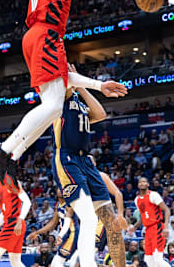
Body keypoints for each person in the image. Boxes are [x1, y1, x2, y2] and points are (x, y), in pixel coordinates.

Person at [0, 0, 128, 191]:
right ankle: (3, 149)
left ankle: (12, 156)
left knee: (51, 106)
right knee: (53, 107)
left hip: (35, 37)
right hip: (46, 36)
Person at [46, 64, 128, 267]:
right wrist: (75, 77)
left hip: (86, 161)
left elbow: (100, 115)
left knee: (112, 224)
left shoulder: (79, 102)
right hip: (68, 159)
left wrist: (82, 88)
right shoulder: (60, 97)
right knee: (89, 218)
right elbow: (65, 79)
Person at [27, 190, 79, 267]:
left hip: (72, 233)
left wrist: (60, 236)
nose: (60, 189)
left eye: (62, 188)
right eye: (59, 187)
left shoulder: (69, 204)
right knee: (58, 262)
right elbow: (52, 223)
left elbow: (67, 224)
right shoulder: (58, 205)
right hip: (65, 235)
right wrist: (37, 232)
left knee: (58, 262)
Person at [0, 180, 31, 267]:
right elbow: (4, 214)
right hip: (15, 224)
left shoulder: (11, 183)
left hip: (14, 224)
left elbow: (28, 202)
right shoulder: (1, 190)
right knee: (15, 261)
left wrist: (19, 221)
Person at [135, 177, 171, 267]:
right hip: (147, 230)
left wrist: (166, 227)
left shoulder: (153, 195)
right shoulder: (137, 200)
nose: (142, 183)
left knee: (158, 259)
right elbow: (143, 217)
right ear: (138, 185)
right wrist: (134, 227)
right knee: (148, 260)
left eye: (144, 182)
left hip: (157, 227)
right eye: (140, 182)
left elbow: (167, 210)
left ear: (148, 184)